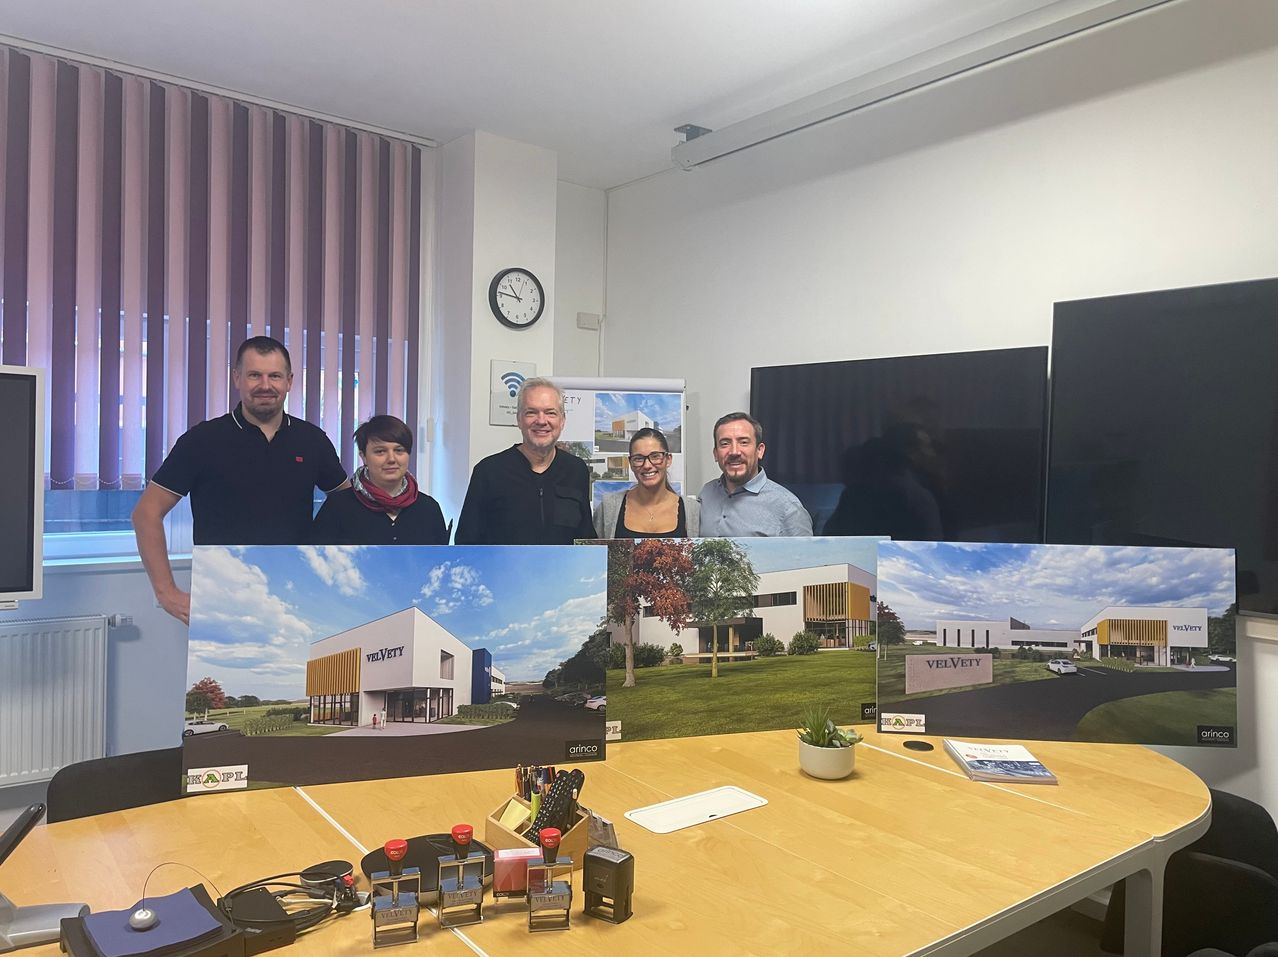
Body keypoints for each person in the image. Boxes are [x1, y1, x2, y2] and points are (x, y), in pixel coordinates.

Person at [132, 336, 348, 623]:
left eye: (275, 376)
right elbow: (146, 513)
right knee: (223, 670)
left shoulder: (312, 441)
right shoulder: (202, 440)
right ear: (237, 379)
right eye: (254, 375)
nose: (265, 385)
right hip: (223, 595)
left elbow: (348, 507)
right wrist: (167, 593)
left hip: (299, 593)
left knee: (307, 670)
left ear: (290, 381)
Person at [454, 377, 596, 544]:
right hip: (504, 570)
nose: (542, 421)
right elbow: (467, 541)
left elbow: (585, 538)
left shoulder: (576, 470)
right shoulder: (489, 472)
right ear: (519, 419)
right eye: (531, 412)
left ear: (562, 421)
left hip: (563, 570)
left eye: (550, 413)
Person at [311, 414, 448, 545]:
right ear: (363, 457)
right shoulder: (338, 507)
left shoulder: (429, 509)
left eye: (399, 450)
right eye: (380, 451)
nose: (391, 459)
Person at [698, 411, 812, 537]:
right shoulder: (707, 493)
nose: (734, 452)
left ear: (759, 451)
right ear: (715, 454)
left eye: (744, 442)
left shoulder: (788, 508)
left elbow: (805, 556)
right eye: (725, 443)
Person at [593, 427, 700, 538]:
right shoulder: (608, 508)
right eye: (638, 458)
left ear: (668, 459)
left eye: (655, 456)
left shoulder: (692, 511)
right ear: (630, 463)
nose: (647, 465)